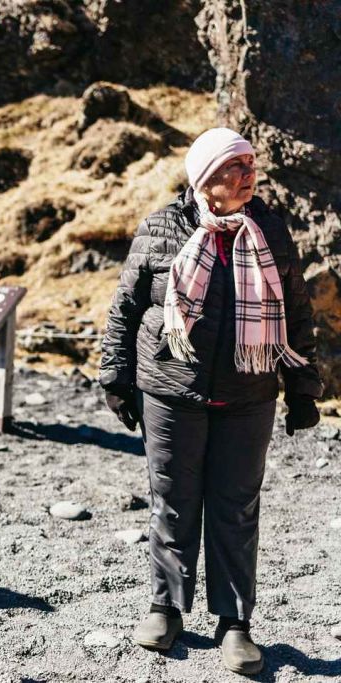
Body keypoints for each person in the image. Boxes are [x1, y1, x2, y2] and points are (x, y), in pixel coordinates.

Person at [100, 128, 322, 675]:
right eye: (235, 165)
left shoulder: (271, 230)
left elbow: (296, 313)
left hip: (248, 395)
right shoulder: (160, 228)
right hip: (170, 392)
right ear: (205, 177)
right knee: (172, 501)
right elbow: (126, 308)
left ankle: (234, 623)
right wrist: (116, 376)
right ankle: (166, 608)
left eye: (251, 163)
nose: (249, 174)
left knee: (236, 507)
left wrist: (303, 386)